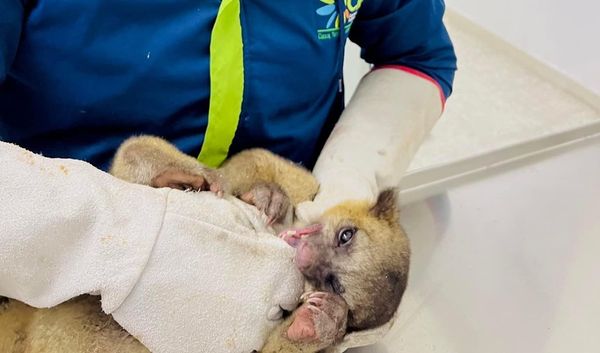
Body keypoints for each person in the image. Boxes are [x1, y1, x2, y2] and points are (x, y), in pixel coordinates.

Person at [0, 0, 456, 352]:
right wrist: (112, 233)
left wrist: (339, 195)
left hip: (273, 243)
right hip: (51, 246)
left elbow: (417, 54)